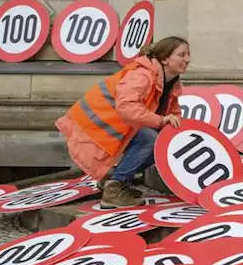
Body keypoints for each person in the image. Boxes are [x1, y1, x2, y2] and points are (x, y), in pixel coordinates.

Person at [55, 37, 189, 208]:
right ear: (164, 59)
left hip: (115, 127)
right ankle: (114, 188)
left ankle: (114, 182)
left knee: (164, 142)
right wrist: (161, 120)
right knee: (150, 139)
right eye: (181, 55)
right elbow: (127, 106)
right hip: (97, 126)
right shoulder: (142, 75)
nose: (187, 60)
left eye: (188, 55)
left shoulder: (171, 84)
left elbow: (173, 116)